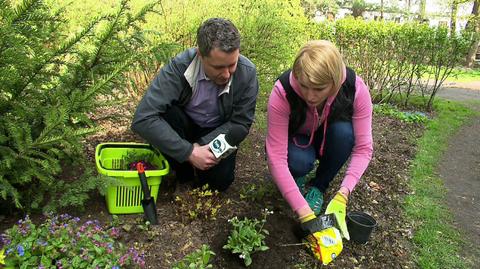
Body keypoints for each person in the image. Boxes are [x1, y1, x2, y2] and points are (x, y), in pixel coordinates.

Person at [132, 18, 259, 191]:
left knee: (219, 183)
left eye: (232, 65)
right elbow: (143, 118)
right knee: (167, 114)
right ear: (200, 54)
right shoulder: (179, 67)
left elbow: (241, 123)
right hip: (183, 127)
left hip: (218, 132)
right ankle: (183, 175)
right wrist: (188, 152)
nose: (227, 74)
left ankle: (202, 172)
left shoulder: (247, 73)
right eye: (218, 67)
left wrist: (202, 146)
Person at [266, 40, 373, 242]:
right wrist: (305, 214)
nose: (310, 96)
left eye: (319, 89)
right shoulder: (283, 91)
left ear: (335, 81)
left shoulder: (354, 88)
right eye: (304, 86)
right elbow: (276, 157)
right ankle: (294, 179)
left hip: (330, 136)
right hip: (298, 139)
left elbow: (364, 148)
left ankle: (318, 186)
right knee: (297, 162)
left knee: (344, 134)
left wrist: (344, 193)